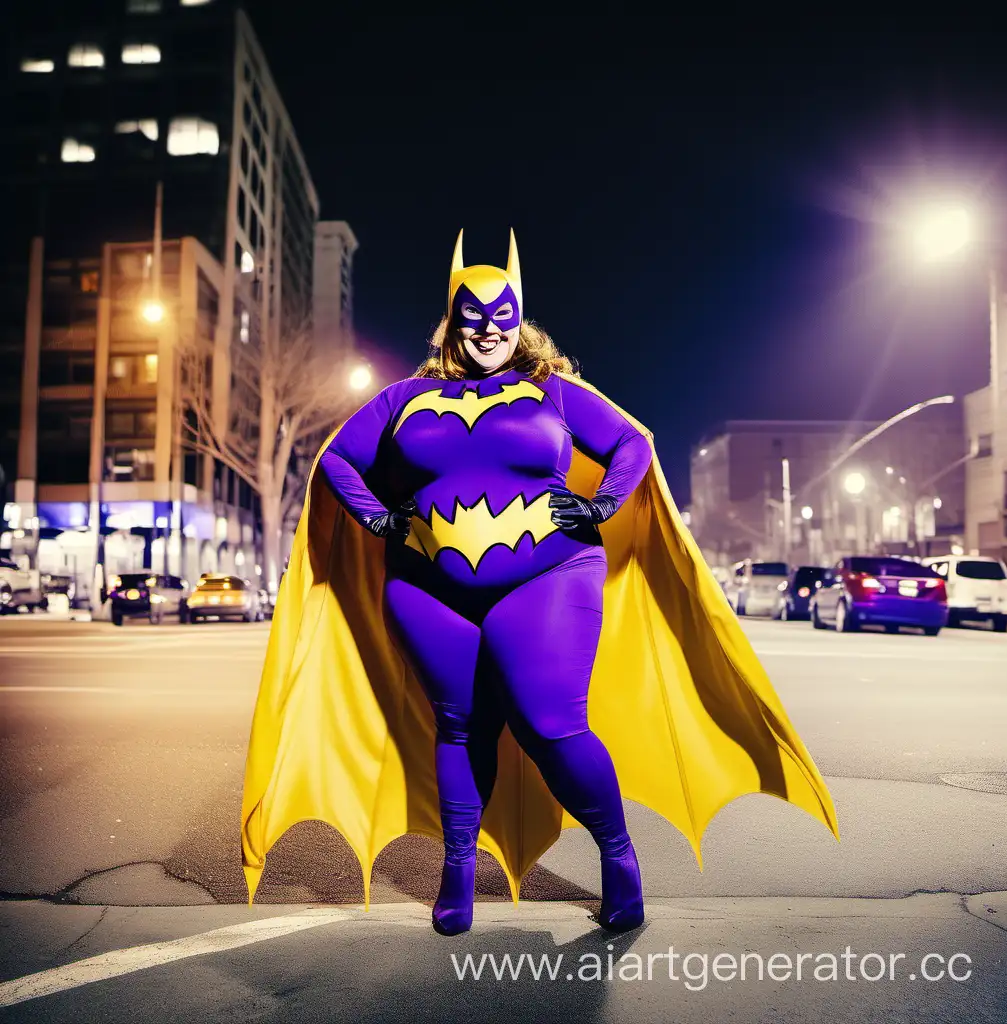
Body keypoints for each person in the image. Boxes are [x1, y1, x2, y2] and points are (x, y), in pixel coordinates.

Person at [240, 230, 839, 936]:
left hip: (550, 571)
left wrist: (601, 505)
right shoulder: (404, 397)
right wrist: (379, 521)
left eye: (504, 317)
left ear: (519, 320)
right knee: (461, 726)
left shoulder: (552, 391)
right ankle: (458, 869)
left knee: (551, 721)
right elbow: (339, 461)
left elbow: (631, 444)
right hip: (428, 584)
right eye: (475, 316)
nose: (490, 331)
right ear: (452, 319)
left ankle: (618, 859)